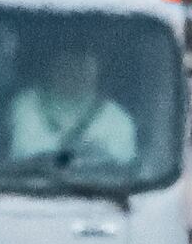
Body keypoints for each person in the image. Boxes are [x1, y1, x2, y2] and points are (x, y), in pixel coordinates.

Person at [8, 42, 139, 171]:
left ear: (97, 68)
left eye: (83, 63)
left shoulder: (118, 120)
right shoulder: (24, 106)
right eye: (67, 62)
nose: (74, 71)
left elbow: (125, 176)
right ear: (52, 65)